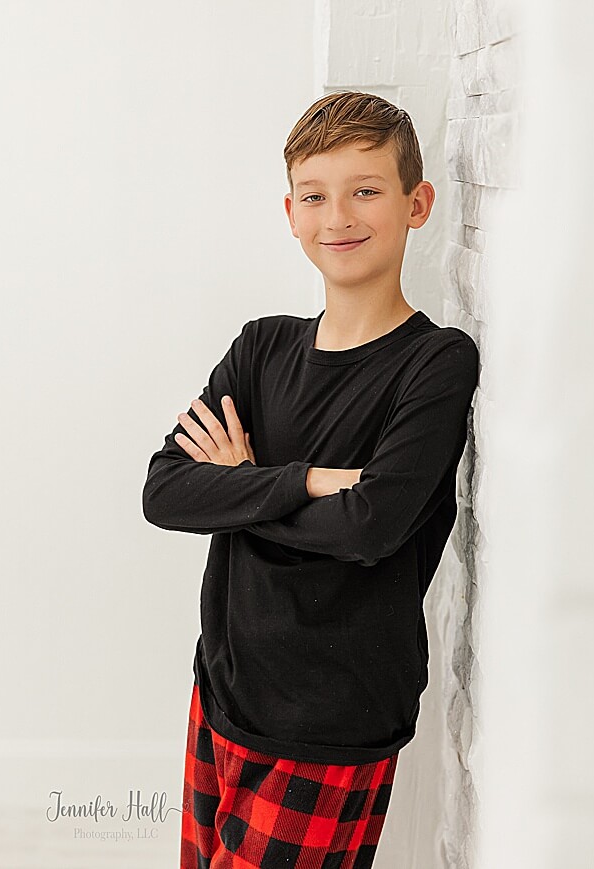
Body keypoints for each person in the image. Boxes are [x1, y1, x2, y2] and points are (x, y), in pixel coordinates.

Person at [142, 91, 480, 868]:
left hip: (332, 718)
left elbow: (368, 529)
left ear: (416, 203)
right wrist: (308, 481)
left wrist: (244, 483)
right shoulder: (262, 349)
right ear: (290, 213)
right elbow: (165, 489)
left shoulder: (436, 362)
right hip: (223, 690)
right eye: (315, 197)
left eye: (366, 190)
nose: (339, 218)